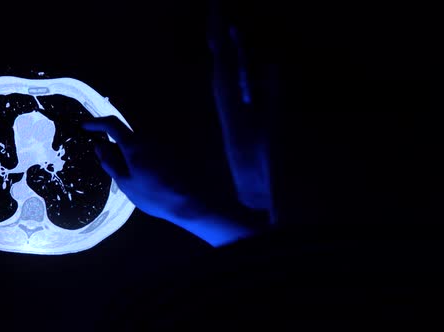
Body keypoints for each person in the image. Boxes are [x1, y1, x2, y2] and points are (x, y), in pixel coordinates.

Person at [83, 0, 439, 330]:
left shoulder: (175, 311)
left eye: (216, 59)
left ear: (245, 76)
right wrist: (188, 210)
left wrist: (189, 211)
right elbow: (317, 281)